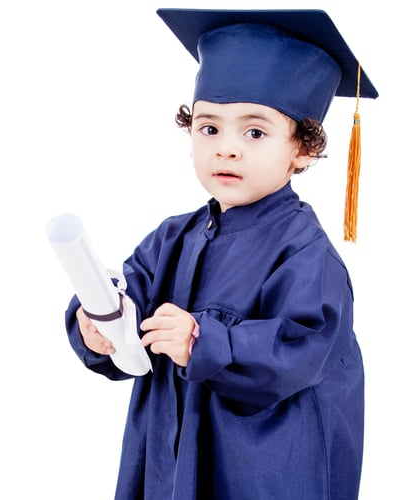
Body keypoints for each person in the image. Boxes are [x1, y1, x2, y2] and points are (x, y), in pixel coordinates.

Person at [65, 8, 378, 499]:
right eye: (210, 128)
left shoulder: (305, 253)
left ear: (304, 149)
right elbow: (127, 297)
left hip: (263, 466)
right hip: (171, 457)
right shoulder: (171, 239)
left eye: (255, 132)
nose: (226, 149)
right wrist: (97, 325)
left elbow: (299, 350)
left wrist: (202, 341)